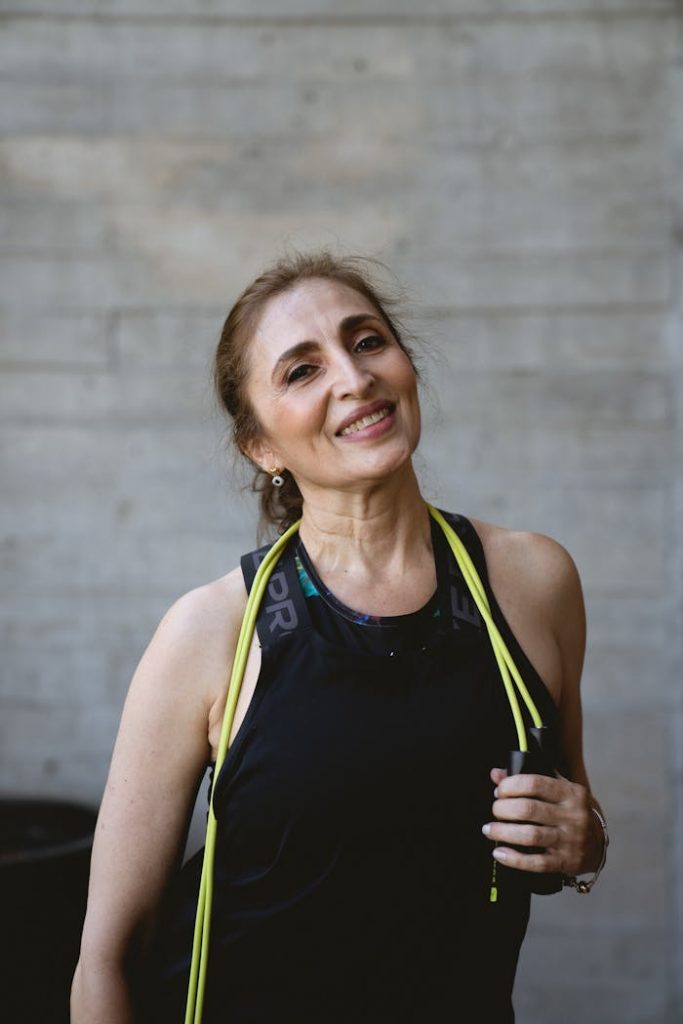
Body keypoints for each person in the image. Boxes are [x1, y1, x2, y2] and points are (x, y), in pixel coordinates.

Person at [71, 250, 607, 1023]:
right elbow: (106, 961)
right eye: (300, 370)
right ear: (260, 445)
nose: (354, 379)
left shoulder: (534, 583)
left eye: (366, 341)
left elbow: (573, 811)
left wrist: (583, 842)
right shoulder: (212, 633)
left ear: (405, 363)